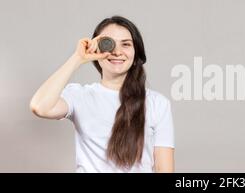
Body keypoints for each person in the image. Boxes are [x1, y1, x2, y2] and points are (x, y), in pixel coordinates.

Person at [29, 16, 174, 173]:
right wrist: (77, 58)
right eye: (108, 44)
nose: (117, 52)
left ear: (135, 53)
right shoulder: (78, 96)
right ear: (96, 51)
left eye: (126, 44)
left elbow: (164, 169)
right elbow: (40, 107)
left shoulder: (157, 103)